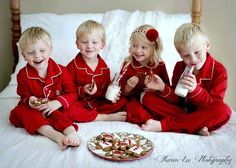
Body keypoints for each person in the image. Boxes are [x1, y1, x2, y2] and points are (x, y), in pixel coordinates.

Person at [141, 23, 232, 136]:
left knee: (224, 111)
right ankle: (194, 126)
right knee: (148, 98)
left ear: (207, 45)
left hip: (203, 113)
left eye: (197, 52)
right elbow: (177, 100)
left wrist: (195, 90)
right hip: (183, 111)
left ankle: (166, 125)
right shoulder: (179, 67)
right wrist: (163, 88)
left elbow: (214, 104)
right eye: (186, 56)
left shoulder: (219, 70)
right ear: (180, 55)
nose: (193, 59)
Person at [9, 27, 80, 150]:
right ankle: (56, 136)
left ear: (50, 50)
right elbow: (23, 94)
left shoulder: (61, 71)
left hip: (55, 106)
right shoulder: (22, 74)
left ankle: (71, 133)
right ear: (24, 56)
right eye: (31, 53)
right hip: (35, 109)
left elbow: (72, 93)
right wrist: (30, 100)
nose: (37, 56)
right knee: (19, 113)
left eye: (42, 50)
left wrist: (57, 102)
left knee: (64, 113)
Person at [66, 20, 127, 122]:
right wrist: (83, 90)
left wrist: (113, 96)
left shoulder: (104, 68)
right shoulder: (72, 67)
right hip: (80, 104)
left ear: (102, 44)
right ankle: (103, 117)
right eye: (84, 42)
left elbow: (106, 91)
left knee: (124, 101)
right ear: (77, 44)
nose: (89, 46)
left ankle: (96, 114)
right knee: (68, 110)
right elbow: (67, 91)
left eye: (94, 42)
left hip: (99, 103)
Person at [119, 24, 170, 124]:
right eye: (134, 46)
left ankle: (179, 119)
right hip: (135, 100)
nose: (138, 51)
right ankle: (156, 121)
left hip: (154, 100)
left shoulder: (159, 66)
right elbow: (120, 90)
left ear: (153, 48)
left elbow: (167, 88)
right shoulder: (128, 64)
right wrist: (128, 87)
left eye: (143, 47)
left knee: (152, 101)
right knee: (133, 111)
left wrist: (158, 88)